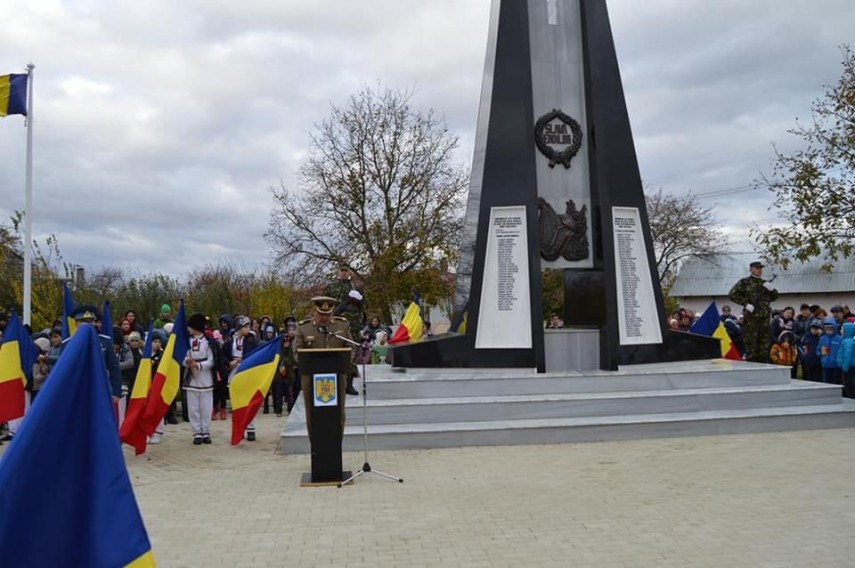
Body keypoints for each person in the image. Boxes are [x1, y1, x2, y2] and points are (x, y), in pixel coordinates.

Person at [294, 296, 354, 436]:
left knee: (338, 413)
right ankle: (315, 442)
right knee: (313, 414)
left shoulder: (341, 325)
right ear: (314, 312)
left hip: (337, 377)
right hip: (311, 379)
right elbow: (297, 352)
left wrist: (345, 364)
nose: (324, 318)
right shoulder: (304, 328)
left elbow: (351, 347)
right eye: (321, 314)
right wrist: (311, 366)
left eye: (328, 314)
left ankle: (337, 440)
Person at [325, 264, 365, 396]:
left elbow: (364, 307)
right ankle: (334, 384)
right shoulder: (331, 287)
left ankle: (349, 384)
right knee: (335, 354)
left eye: (346, 271)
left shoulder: (357, 288)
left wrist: (359, 301)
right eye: (341, 270)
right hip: (336, 325)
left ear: (350, 273)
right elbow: (324, 306)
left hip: (352, 325)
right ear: (337, 272)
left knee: (352, 355)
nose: (343, 273)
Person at [728, 261, 779, 363]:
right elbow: (732, 294)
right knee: (751, 345)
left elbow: (774, 297)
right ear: (751, 269)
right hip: (751, 318)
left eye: (760, 268)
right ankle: (752, 368)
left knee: (764, 346)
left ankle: (763, 367)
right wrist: (745, 304)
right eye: (756, 268)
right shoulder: (744, 282)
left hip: (764, 318)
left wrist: (772, 290)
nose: (759, 270)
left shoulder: (764, 283)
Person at [223, 315, 258, 440]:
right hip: (234, 371)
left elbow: (255, 354)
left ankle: (251, 427)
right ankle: (239, 427)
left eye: (249, 326)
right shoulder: (229, 339)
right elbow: (223, 355)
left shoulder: (251, 340)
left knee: (249, 399)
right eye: (246, 326)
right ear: (239, 327)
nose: (248, 329)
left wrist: (243, 360)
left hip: (247, 371)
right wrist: (229, 363)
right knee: (237, 401)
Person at [183, 313, 216, 445]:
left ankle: (206, 431)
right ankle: (196, 432)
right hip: (191, 379)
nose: (188, 329)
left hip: (205, 378)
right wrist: (187, 361)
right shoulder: (187, 342)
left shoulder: (208, 342)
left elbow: (212, 360)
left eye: (190, 326)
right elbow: (180, 357)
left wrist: (199, 365)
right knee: (193, 407)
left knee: (206, 407)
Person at [818, 317, 842, 385]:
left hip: (836, 365)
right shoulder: (822, 338)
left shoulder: (839, 339)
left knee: (835, 382)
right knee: (825, 382)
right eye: (827, 329)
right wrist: (819, 354)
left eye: (830, 329)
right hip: (825, 364)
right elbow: (819, 348)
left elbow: (841, 351)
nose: (828, 330)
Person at [836, 322, 855, 398]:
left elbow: (847, 355)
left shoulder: (847, 342)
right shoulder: (848, 341)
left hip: (849, 367)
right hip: (849, 366)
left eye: (842, 329)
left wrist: (845, 367)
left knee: (848, 384)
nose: (841, 331)